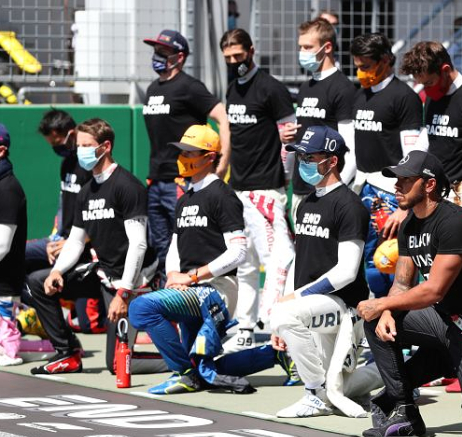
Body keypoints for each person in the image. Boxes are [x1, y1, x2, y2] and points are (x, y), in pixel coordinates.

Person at [356, 151, 462, 437]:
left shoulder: (454, 222)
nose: (397, 186)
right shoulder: (409, 224)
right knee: (376, 320)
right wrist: (387, 311)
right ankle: (404, 411)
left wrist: (382, 303)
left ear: (429, 185)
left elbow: (434, 290)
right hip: (446, 319)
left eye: (406, 180)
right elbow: (402, 284)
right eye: (397, 180)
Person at [27, 119, 159, 375]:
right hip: (102, 274)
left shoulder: (127, 186)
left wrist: (124, 293)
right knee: (39, 281)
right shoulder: (87, 191)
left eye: (87, 146)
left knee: (117, 365)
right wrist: (57, 271)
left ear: (105, 146)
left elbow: (139, 244)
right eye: (79, 146)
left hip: (132, 282)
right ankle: (67, 354)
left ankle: (180, 359)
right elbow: (77, 240)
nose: (81, 152)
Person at [129, 124, 249, 394]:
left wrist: (192, 276)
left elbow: (238, 252)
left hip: (217, 290)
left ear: (210, 157)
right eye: (181, 152)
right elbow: (175, 244)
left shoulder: (223, 195)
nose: (182, 158)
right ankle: (273, 356)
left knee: (141, 308)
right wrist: (173, 275)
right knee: (202, 364)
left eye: (189, 153)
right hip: (189, 287)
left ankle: (184, 375)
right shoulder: (185, 197)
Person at [270, 126, 379, 417]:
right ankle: (394, 375)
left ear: (332, 161)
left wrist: (293, 302)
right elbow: (299, 259)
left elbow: (346, 272)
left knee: (285, 315)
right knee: (340, 385)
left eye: (310, 157)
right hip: (315, 303)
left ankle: (314, 395)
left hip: (344, 306)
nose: (303, 162)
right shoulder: (306, 203)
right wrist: (288, 302)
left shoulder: (350, 206)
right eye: (300, 156)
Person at [218, 28, 297, 352]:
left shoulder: (272, 88)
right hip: (238, 189)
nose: (233, 62)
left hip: (266, 190)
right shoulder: (232, 88)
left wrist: (284, 180)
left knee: (278, 260)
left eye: (238, 55)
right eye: (228, 57)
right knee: (245, 265)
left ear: (251, 51)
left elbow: (289, 140)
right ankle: (246, 328)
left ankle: (280, 326)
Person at [142, 29, 231, 281]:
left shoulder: (190, 87)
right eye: (156, 50)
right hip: (156, 180)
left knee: (187, 242)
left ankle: (194, 290)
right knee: (161, 246)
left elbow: (222, 117)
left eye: (163, 51)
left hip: (183, 180)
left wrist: (223, 161)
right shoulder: (152, 89)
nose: (157, 55)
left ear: (179, 57)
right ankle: (168, 293)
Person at [350, 32, 423, 297]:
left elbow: (413, 157)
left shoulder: (404, 97)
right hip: (362, 188)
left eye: (366, 66)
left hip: (392, 193)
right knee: (366, 267)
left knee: (390, 262)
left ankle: (399, 319)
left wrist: (405, 207)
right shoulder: (359, 96)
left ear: (385, 60)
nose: (361, 72)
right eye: (357, 66)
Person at [399, 41, 462, 217]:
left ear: (445, 70)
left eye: (429, 83)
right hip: (435, 190)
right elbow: (428, 137)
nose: (426, 90)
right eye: (422, 84)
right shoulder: (433, 97)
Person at [280, 18, 356, 222]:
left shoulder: (343, 88)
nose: (302, 52)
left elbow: (350, 148)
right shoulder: (305, 87)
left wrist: (335, 190)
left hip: (328, 188)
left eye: (308, 47)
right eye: (300, 47)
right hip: (301, 187)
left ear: (327, 47)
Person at [25, 110, 93, 273]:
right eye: (53, 146)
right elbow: (63, 206)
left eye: (58, 143)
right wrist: (55, 237)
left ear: (72, 133)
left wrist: (74, 242)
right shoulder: (66, 163)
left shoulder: (90, 166)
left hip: (82, 243)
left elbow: (100, 216)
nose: (57, 148)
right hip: (62, 238)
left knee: (37, 279)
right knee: (14, 250)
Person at [0, 124, 27, 366]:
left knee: (7, 345)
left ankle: (9, 352)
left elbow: (2, 245)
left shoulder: (8, 188)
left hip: (5, 283)